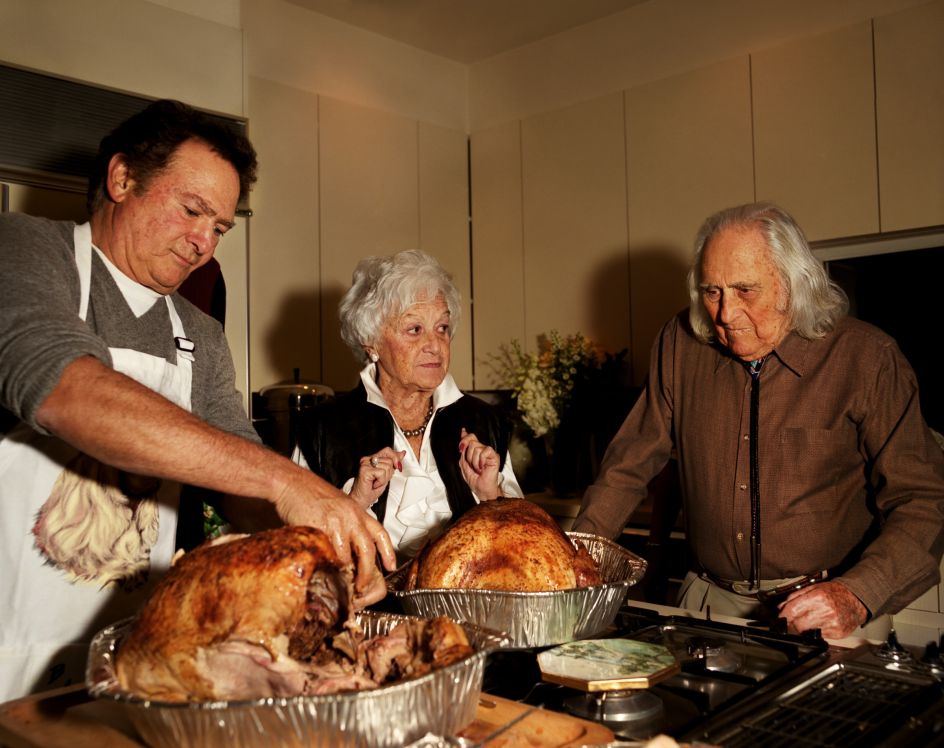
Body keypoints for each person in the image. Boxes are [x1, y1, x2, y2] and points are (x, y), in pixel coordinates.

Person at [0, 100, 394, 702]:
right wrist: (287, 481)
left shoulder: (198, 334)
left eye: (220, 228)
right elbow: (63, 388)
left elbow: (241, 491)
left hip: (139, 653)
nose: (204, 245)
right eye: (192, 211)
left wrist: (321, 557)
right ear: (122, 178)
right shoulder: (25, 249)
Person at [573, 201, 944, 640]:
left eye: (745, 290)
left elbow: (922, 499)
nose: (726, 314)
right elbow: (628, 463)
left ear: (792, 285)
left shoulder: (866, 358)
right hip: (707, 602)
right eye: (712, 292)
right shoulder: (680, 343)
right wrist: (575, 555)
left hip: (826, 607)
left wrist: (857, 593)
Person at [296, 249, 524, 559]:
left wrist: (490, 495)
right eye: (414, 330)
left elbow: (524, 548)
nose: (434, 345)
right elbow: (297, 555)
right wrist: (356, 501)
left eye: (442, 328)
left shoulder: (484, 422)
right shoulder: (321, 431)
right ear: (371, 342)